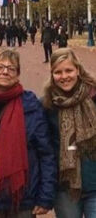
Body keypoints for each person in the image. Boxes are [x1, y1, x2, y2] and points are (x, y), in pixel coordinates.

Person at [0, 48, 56, 217]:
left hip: (23, 196)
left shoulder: (31, 105)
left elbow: (46, 153)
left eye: (11, 68)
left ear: (18, 74)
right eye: (0, 67)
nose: (5, 71)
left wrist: (45, 196)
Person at [43, 48, 96, 218]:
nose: (64, 76)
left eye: (69, 70)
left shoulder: (94, 97)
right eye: (58, 72)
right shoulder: (47, 105)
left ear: (78, 70)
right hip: (65, 188)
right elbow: (44, 149)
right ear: (52, 75)